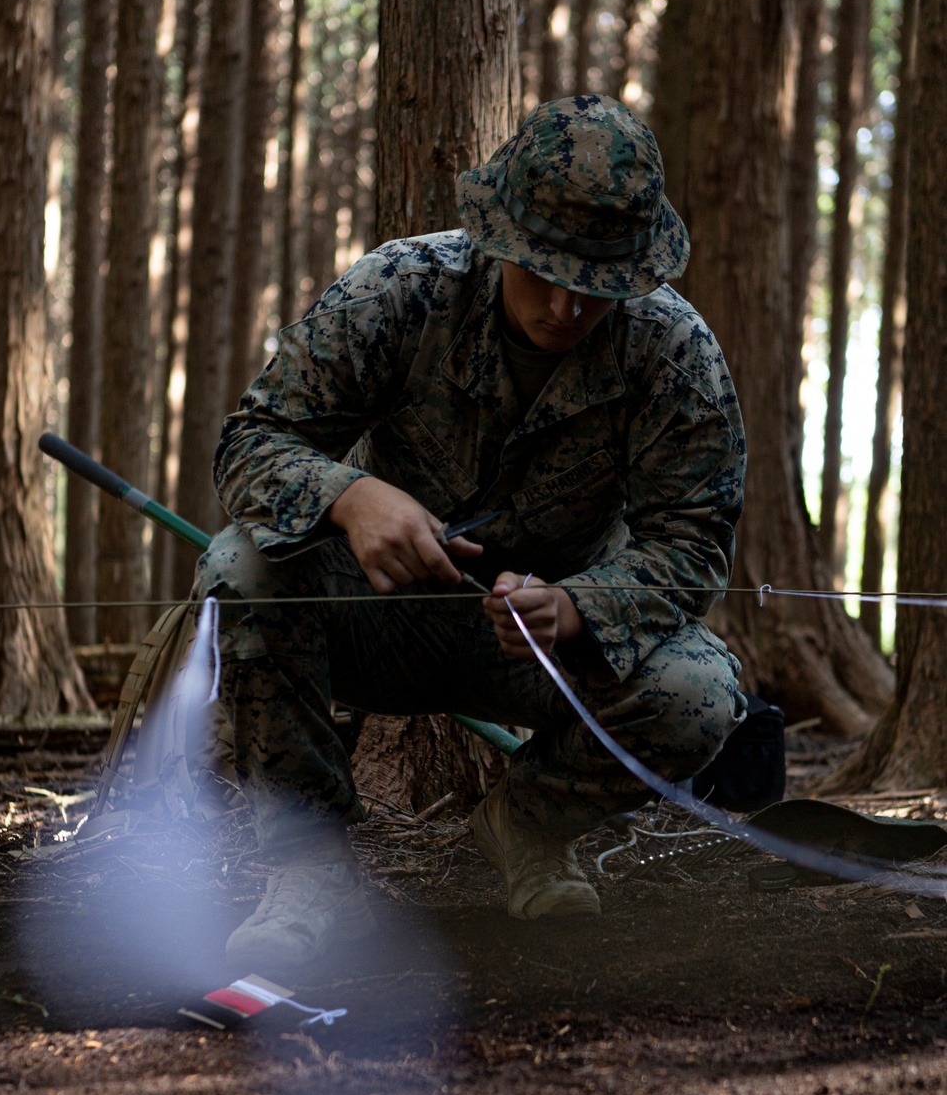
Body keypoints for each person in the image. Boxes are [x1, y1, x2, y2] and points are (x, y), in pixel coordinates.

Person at [197, 94, 747, 976]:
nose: (568, 306)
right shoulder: (400, 291)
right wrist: (351, 495)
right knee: (241, 567)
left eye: (597, 282)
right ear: (500, 238)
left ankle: (527, 829)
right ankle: (308, 869)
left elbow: (692, 545)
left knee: (700, 689)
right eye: (546, 270)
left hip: (544, 652)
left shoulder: (671, 353)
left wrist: (577, 605)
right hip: (378, 616)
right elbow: (251, 443)